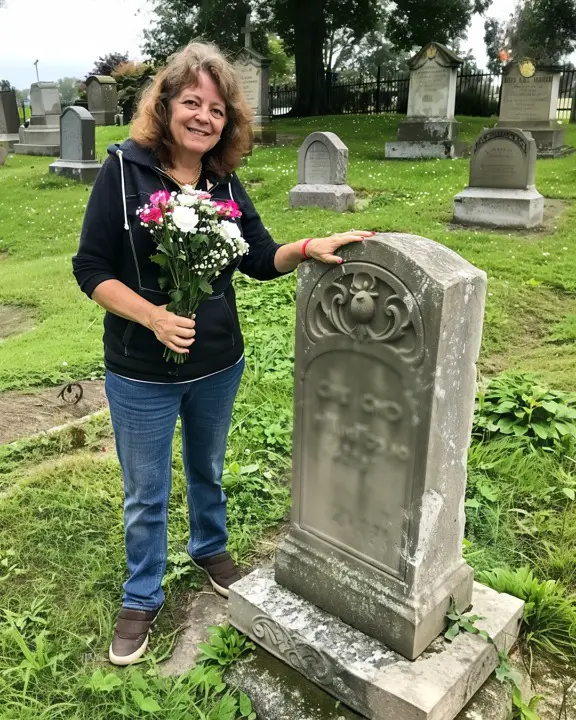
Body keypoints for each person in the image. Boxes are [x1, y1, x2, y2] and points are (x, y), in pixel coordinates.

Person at [72, 41, 373, 667]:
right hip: (140, 371)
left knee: (207, 470)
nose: (204, 117)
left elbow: (259, 257)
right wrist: (152, 315)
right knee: (145, 491)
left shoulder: (222, 180)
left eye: (217, 108)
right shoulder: (124, 172)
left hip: (218, 364)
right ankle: (142, 593)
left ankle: (210, 549)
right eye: (191, 102)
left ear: (228, 120)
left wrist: (311, 244)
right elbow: (90, 268)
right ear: (166, 106)